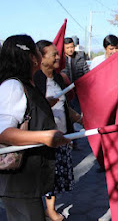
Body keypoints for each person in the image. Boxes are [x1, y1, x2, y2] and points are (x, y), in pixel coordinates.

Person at [0, 35, 70, 221]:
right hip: (18, 182)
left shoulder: (26, 84)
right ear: (32, 57)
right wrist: (45, 136)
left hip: (29, 182)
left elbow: (25, 113)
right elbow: (3, 133)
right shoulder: (13, 85)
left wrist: (43, 104)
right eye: (39, 51)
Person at [34, 40, 82, 221]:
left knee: (56, 176)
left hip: (61, 135)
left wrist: (80, 119)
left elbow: (65, 106)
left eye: (57, 53)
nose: (57, 56)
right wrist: (45, 103)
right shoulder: (35, 80)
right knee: (45, 174)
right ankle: (46, 209)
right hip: (43, 137)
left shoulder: (59, 78)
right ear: (40, 57)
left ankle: (50, 208)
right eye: (53, 54)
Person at [62, 37, 89, 113]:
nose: (70, 49)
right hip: (65, 92)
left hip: (78, 92)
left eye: (72, 47)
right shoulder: (61, 61)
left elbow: (87, 73)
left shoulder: (80, 58)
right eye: (67, 48)